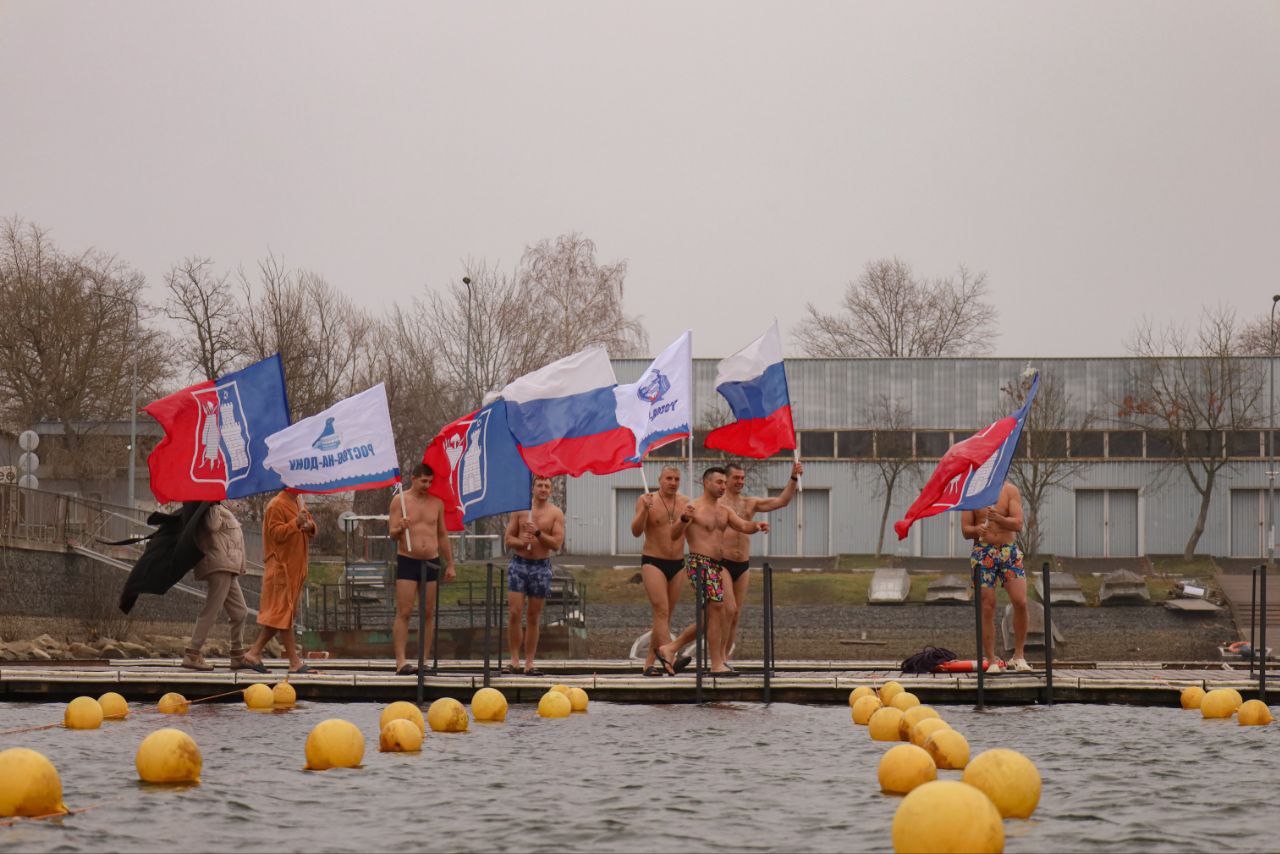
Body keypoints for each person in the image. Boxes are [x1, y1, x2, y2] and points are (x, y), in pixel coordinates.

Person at [658, 466, 768, 677]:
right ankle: (717, 663)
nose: (723, 487)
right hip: (700, 563)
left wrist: (757, 526)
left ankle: (670, 648)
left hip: (718, 565)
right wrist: (683, 520)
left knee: (720, 613)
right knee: (717, 608)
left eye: (724, 483)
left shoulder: (725, 511)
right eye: (719, 482)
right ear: (706, 483)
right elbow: (673, 535)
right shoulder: (693, 507)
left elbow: (743, 526)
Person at [719, 460, 804, 668]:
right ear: (726, 480)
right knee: (727, 610)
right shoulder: (717, 504)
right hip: (722, 562)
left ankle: (725, 659)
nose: (740, 481)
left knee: (736, 614)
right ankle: (717, 658)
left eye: (742, 478)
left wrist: (793, 477)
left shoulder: (749, 503)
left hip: (743, 563)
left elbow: (782, 501)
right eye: (735, 478)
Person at [389, 463, 456, 676]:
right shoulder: (400, 499)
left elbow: (442, 534)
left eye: (430, 481)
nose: (427, 485)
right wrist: (401, 527)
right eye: (423, 481)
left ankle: (423, 660)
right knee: (405, 611)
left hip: (431, 560)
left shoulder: (436, 503)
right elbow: (391, 533)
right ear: (413, 478)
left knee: (428, 613)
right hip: (408, 559)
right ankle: (401, 661)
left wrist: (450, 563)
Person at [241, 489, 315, 674]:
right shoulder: (275, 504)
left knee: (281, 615)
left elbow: (311, 526)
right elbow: (275, 534)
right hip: (281, 569)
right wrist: (295, 523)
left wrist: (309, 526)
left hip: (296, 570)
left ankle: (253, 654)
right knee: (284, 614)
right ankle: (294, 662)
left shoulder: (299, 502)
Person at [961, 481, 1031, 673]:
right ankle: (991, 660)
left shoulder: (1010, 490)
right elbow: (966, 530)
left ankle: (1018, 656)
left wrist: (998, 518)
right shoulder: (972, 492)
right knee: (987, 606)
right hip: (983, 552)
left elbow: (1018, 523)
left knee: (1021, 601)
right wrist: (977, 530)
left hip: (1008, 551)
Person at [630, 465, 690, 677]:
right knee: (661, 611)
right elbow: (636, 531)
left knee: (664, 617)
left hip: (678, 563)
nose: (673, 483)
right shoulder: (647, 500)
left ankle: (649, 664)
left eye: (676, 479)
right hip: (653, 561)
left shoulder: (685, 503)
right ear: (660, 480)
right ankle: (671, 657)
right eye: (669, 478)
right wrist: (644, 510)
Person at [502, 476, 564, 676]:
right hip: (519, 564)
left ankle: (529, 662)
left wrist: (538, 534)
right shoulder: (520, 510)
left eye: (547, 486)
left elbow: (556, 543)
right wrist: (521, 542)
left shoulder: (555, 513)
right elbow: (508, 539)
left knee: (533, 616)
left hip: (540, 566)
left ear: (551, 490)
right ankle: (514, 660)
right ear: (533, 488)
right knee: (514, 613)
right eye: (540, 485)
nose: (543, 489)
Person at [181, 501, 250, 671]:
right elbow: (212, 526)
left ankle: (237, 655)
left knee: (240, 612)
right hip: (219, 565)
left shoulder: (222, 509)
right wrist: (214, 504)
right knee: (212, 610)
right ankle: (192, 654)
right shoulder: (212, 507)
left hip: (228, 566)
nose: (235, 500)